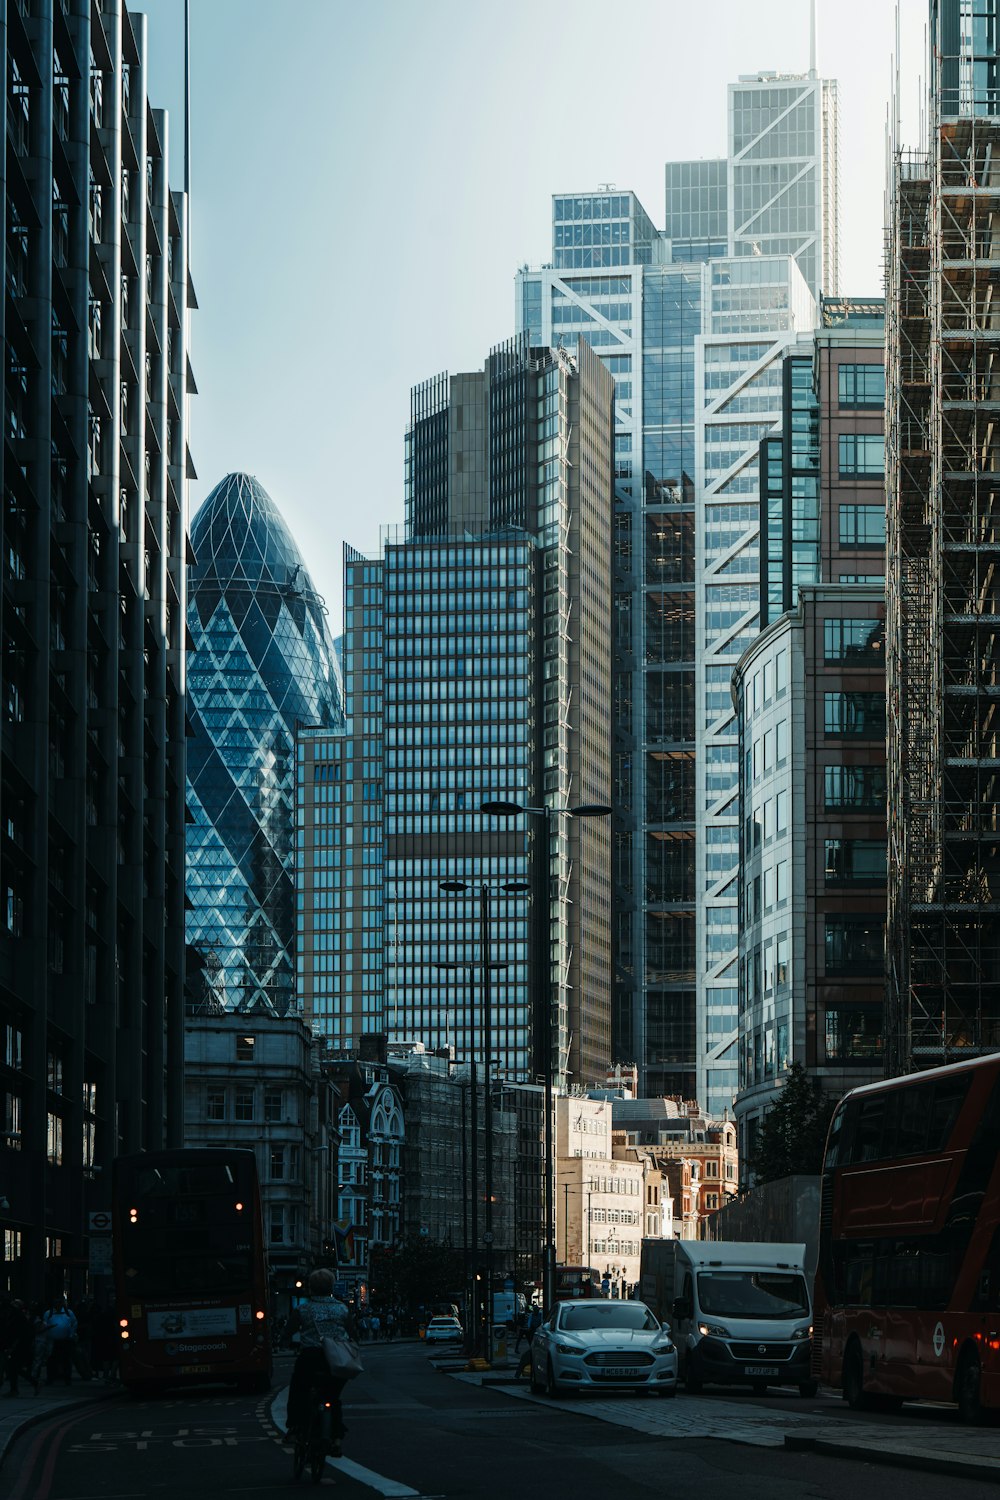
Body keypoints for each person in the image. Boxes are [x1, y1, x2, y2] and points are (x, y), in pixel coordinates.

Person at [285, 1269, 356, 1454]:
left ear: (311, 1288)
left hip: (311, 1356)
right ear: (331, 1287)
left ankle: (294, 1428)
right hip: (336, 1358)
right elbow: (353, 1333)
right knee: (333, 1397)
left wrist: (283, 1342)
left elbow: (288, 1331)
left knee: (298, 1390)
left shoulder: (303, 1309)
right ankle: (337, 1437)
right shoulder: (342, 1308)